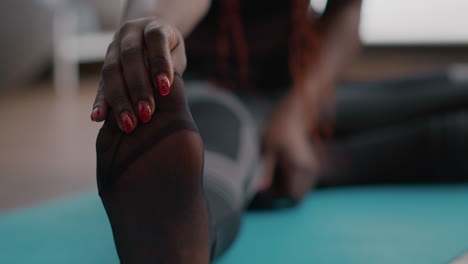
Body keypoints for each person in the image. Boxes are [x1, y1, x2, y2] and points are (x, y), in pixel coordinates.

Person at [91, 0, 468, 262]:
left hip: (298, 88)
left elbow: (346, 15)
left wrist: (293, 118)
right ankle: (179, 248)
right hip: (207, 92)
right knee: (209, 154)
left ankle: (305, 163)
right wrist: (152, 27)